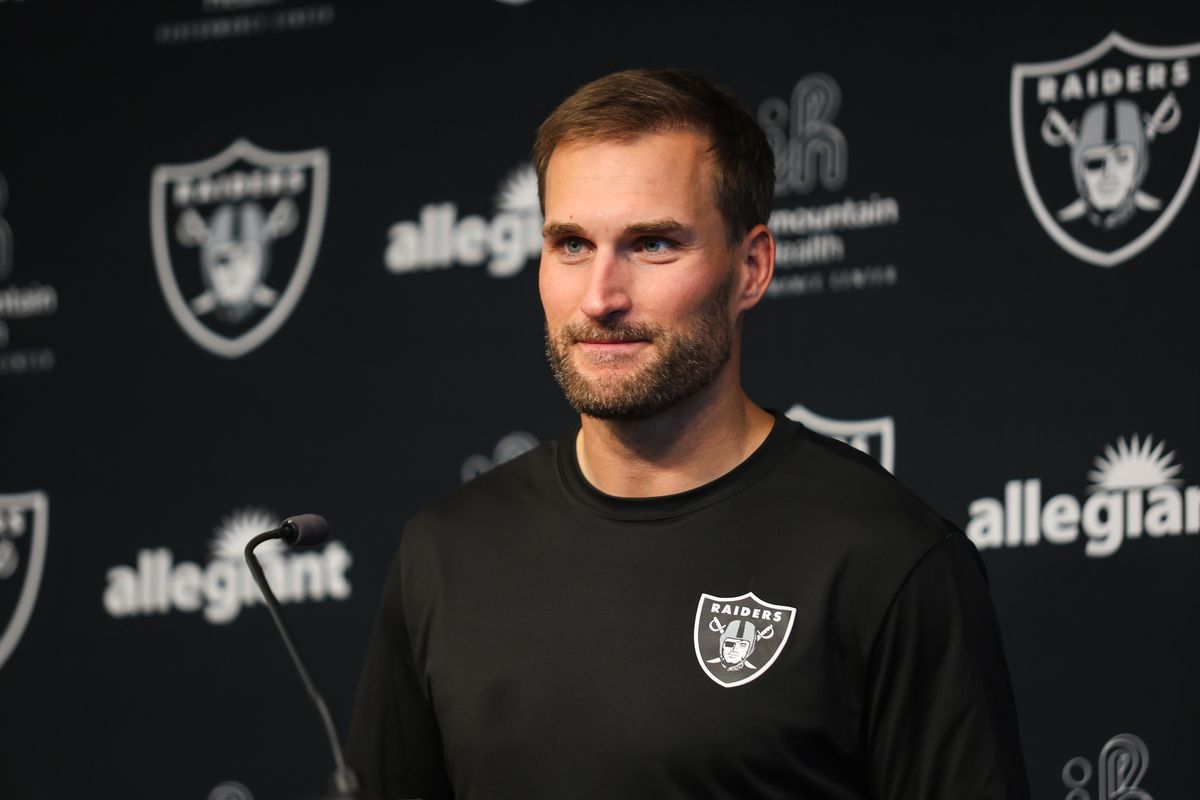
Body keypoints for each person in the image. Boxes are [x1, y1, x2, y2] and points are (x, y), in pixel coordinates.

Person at [347, 68, 1031, 799]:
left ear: (752, 268)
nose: (601, 297)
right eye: (572, 244)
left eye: (652, 245)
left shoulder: (887, 559)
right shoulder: (444, 554)